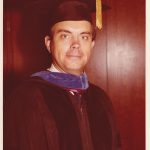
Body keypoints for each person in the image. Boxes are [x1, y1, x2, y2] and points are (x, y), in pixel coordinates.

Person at [4, 1, 121, 150]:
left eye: (84, 37)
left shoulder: (101, 100)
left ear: (92, 45)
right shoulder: (24, 100)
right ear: (49, 44)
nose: (76, 44)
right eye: (65, 36)